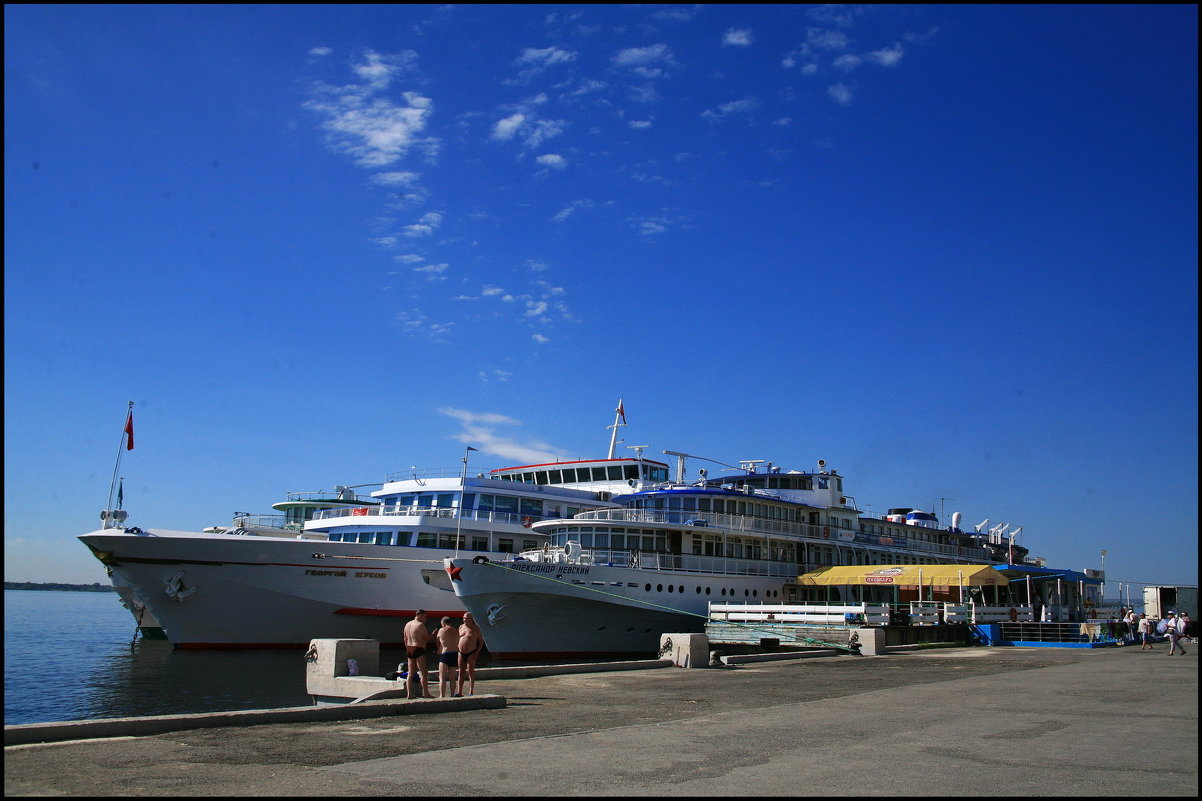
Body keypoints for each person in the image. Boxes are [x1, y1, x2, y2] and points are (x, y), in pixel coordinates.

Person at [403, 610, 435, 698]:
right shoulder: (420, 625)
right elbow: (427, 638)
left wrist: (407, 648)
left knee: (410, 673)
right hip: (418, 648)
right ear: (419, 615)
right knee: (423, 672)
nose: (426, 619)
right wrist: (434, 634)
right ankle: (426, 693)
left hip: (409, 648)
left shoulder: (407, 624)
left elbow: (405, 638)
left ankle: (409, 694)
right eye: (425, 617)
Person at [457, 611, 484, 696]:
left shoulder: (476, 628)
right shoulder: (461, 627)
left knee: (470, 672)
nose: (465, 619)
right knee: (461, 672)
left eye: (467, 618)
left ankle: (471, 691)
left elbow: (481, 642)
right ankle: (459, 691)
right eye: (464, 618)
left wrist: (477, 652)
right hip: (461, 652)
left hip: (471, 652)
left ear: (472, 619)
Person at [435, 616, 460, 698]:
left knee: (442, 677)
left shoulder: (441, 630)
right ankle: (452, 694)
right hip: (455, 654)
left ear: (443, 623)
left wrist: (438, 650)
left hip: (446, 654)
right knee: (452, 677)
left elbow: (437, 641)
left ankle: (442, 696)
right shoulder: (456, 631)